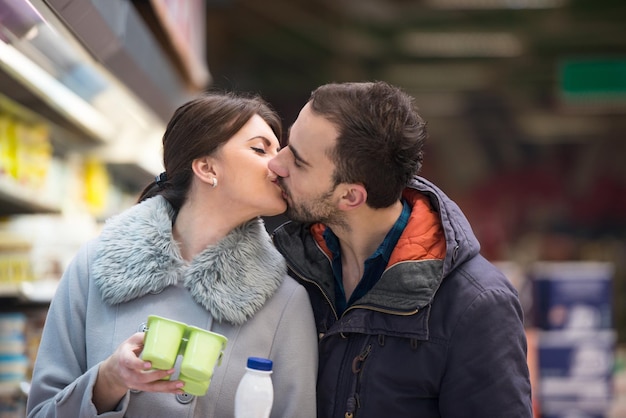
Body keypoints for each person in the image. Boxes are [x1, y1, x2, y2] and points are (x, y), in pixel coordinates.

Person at [26, 92, 318, 418]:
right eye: (260, 149)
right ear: (207, 168)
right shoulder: (95, 265)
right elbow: (40, 412)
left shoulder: (286, 301)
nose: (279, 165)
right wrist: (109, 379)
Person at [269, 81, 533, 417]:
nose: (276, 163)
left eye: (299, 161)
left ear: (351, 196)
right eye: (287, 143)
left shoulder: (475, 306)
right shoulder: (286, 265)